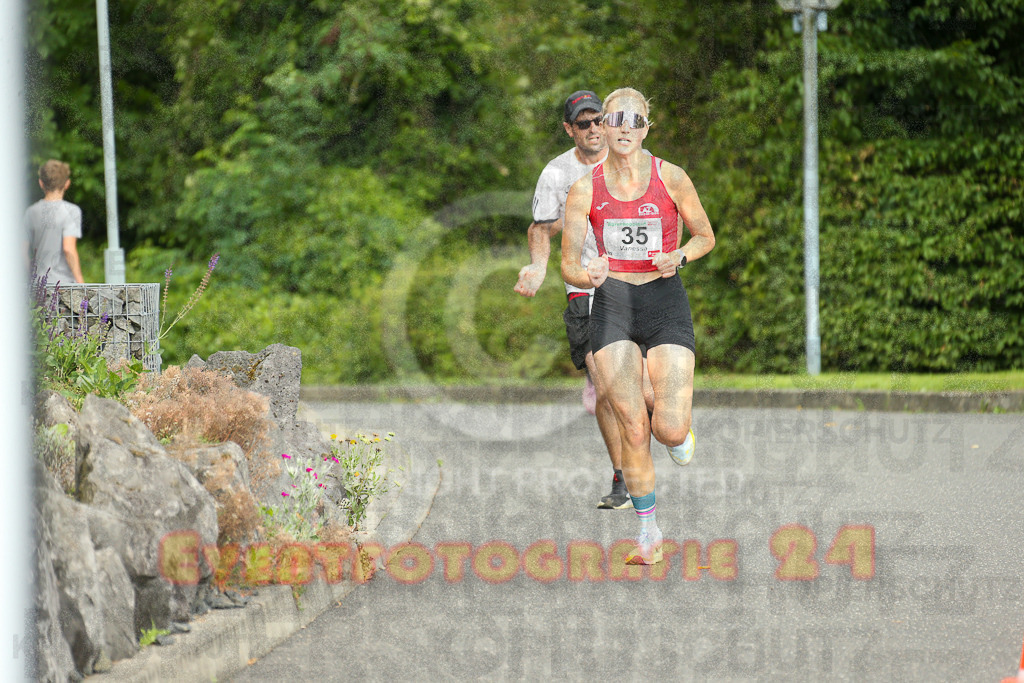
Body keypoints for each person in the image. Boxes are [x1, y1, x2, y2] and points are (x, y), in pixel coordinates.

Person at [561, 87, 715, 564]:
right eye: (616, 119)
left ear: (647, 127)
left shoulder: (671, 177)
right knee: (632, 425)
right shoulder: (585, 188)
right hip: (612, 303)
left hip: (664, 300)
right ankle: (648, 535)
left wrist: (680, 256)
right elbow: (567, 265)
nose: (625, 127)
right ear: (601, 127)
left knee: (667, 429)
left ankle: (678, 428)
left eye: (635, 120)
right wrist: (587, 275)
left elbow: (705, 236)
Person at [515, 90, 641, 510]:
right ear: (569, 129)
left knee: (637, 387)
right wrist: (537, 267)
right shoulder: (556, 173)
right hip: (584, 288)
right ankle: (623, 477)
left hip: (633, 284)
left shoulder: (630, 159)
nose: (592, 130)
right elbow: (540, 228)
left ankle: (659, 428)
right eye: (582, 123)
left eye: (596, 121)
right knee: (606, 386)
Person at [25, 159, 85, 285]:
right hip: (64, 285)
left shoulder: (31, 212)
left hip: (38, 286)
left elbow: (21, 251)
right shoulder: (71, 211)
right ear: (67, 183)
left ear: (41, 183)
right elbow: (69, 249)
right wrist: (80, 282)